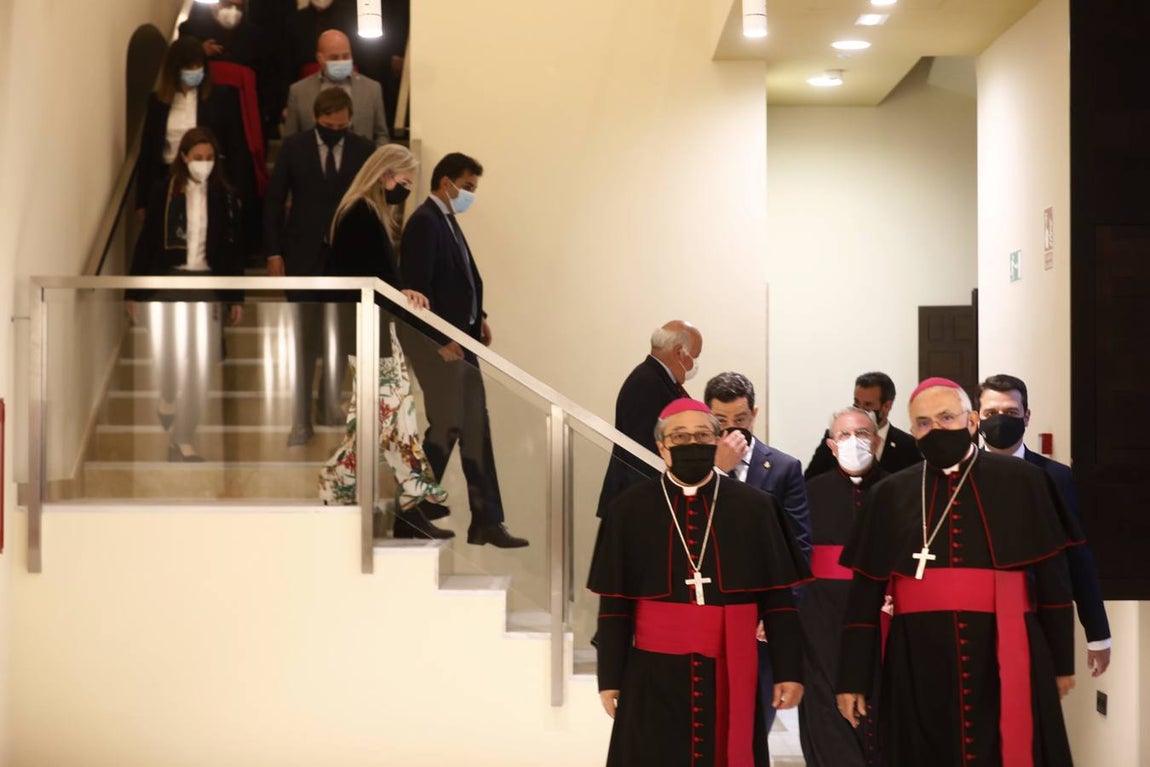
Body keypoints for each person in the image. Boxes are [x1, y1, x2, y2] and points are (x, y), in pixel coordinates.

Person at [835, 377, 1083, 767]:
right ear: (912, 430)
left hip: (1003, 647)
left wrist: (1062, 662)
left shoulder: (1023, 481)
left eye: (946, 417)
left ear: (971, 421)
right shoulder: (889, 494)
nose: (935, 429)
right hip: (916, 656)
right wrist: (852, 678)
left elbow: (1054, 580)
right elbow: (863, 599)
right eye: (923, 423)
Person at [587, 398, 811, 767]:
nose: (692, 444)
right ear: (662, 447)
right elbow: (614, 606)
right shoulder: (628, 510)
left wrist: (789, 669)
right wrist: (610, 676)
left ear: (717, 440)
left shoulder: (756, 507)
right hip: (652, 673)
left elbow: (778, 600)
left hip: (728, 669)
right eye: (680, 437)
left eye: (703, 435)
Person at [318, 143, 452, 539]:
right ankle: (348, 486)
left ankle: (408, 504)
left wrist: (400, 292)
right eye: (403, 181)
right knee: (390, 420)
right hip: (367, 329)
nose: (405, 190)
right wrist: (401, 292)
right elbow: (365, 275)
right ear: (385, 174)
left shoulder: (366, 213)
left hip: (374, 329)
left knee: (392, 421)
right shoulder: (359, 213)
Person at [398, 152, 528, 548]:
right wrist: (440, 340)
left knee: (474, 427)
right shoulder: (425, 222)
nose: (470, 195)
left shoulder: (446, 220)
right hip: (441, 346)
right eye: (467, 187)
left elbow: (458, 280)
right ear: (446, 182)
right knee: (449, 424)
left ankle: (486, 520)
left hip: (461, 340)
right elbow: (416, 290)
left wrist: (478, 317)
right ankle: (410, 510)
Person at [703, 371, 812, 741]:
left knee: (754, 727)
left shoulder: (783, 468)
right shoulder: (696, 468)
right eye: (721, 421)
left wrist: (780, 613)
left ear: (755, 414)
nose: (732, 429)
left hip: (761, 617)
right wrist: (716, 470)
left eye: (741, 419)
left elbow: (798, 544)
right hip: (708, 612)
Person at [978, 373, 1112, 676]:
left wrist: (1098, 634)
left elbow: (1078, 556)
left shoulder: (1056, 477)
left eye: (1011, 412)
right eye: (991, 413)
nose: (1000, 420)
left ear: (1026, 417)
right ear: (976, 418)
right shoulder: (961, 476)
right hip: (974, 618)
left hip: (1037, 615)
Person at [126, 127, 246, 462]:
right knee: (168, 355)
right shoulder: (163, 191)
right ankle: (167, 395)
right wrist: (133, 291)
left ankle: (182, 438)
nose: (204, 163)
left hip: (208, 283)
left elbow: (232, 249)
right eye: (198, 157)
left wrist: (236, 297)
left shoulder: (224, 196)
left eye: (209, 158)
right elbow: (147, 242)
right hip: (169, 281)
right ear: (183, 157)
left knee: (201, 365)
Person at [264, 86, 375, 446]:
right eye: (329, 126)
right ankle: (300, 420)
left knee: (341, 336)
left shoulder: (362, 149)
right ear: (315, 118)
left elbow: (372, 203)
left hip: (347, 259)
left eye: (342, 126)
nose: (335, 132)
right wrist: (273, 252)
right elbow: (274, 200)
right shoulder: (294, 148)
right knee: (304, 342)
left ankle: (328, 403)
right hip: (302, 257)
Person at [798, 407, 886, 767]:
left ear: (877, 441)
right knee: (826, 713)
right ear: (831, 446)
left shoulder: (899, 488)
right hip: (822, 620)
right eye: (844, 435)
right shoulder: (808, 493)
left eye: (862, 434)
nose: (854, 442)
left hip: (882, 618)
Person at [136, 36, 254, 225]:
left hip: (209, 178)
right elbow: (147, 151)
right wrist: (141, 201)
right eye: (189, 67)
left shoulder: (220, 97)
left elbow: (236, 147)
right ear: (175, 68)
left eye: (198, 66)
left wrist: (237, 191)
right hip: (168, 179)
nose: (195, 71)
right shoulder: (158, 102)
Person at [595, 321, 702, 517]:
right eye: (695, 358)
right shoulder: (646, 384)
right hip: (637, 506)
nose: (695, 366)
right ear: (679, 352)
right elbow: (642, 455)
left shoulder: (654, 379)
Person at [804, 371, 920, 479]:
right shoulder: (835, 437)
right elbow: (812, 480)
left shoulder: (908, 445)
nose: (860, 410)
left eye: (868, 405)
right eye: (857, 403)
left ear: (886, 406)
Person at [283, 29, 390, 146]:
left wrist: (376, 156)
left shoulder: (372, 88)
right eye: (334, 58)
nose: (341, 61)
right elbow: (290, 141)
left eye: (346, 56)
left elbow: (381, 135)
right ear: (320, 58)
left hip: (363, 157)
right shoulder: (298, 91)